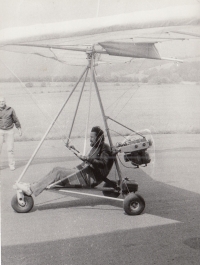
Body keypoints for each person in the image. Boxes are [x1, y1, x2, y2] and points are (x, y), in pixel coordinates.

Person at [15, 126, 119, 196]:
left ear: (99, 138)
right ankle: (32, 185)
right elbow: (86, 159)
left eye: (92, 137)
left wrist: (88, 159)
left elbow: (103, 164)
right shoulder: (96, 147)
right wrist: (73, 149)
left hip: (89, 178)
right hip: (85, 172)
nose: (90, 139)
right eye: (90, 137)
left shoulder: (104, 148)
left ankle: (31, 189)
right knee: (56, 169)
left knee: (59, 173)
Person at [0, 96, 22, 170]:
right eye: (0, 101)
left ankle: (11, 165)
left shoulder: (11, 109)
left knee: (10, 149)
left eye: (2, 101)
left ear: (5, 102)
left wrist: (19, 129)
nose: (1, 103)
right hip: (0, 131)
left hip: (9, 131)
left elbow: (15, 119)